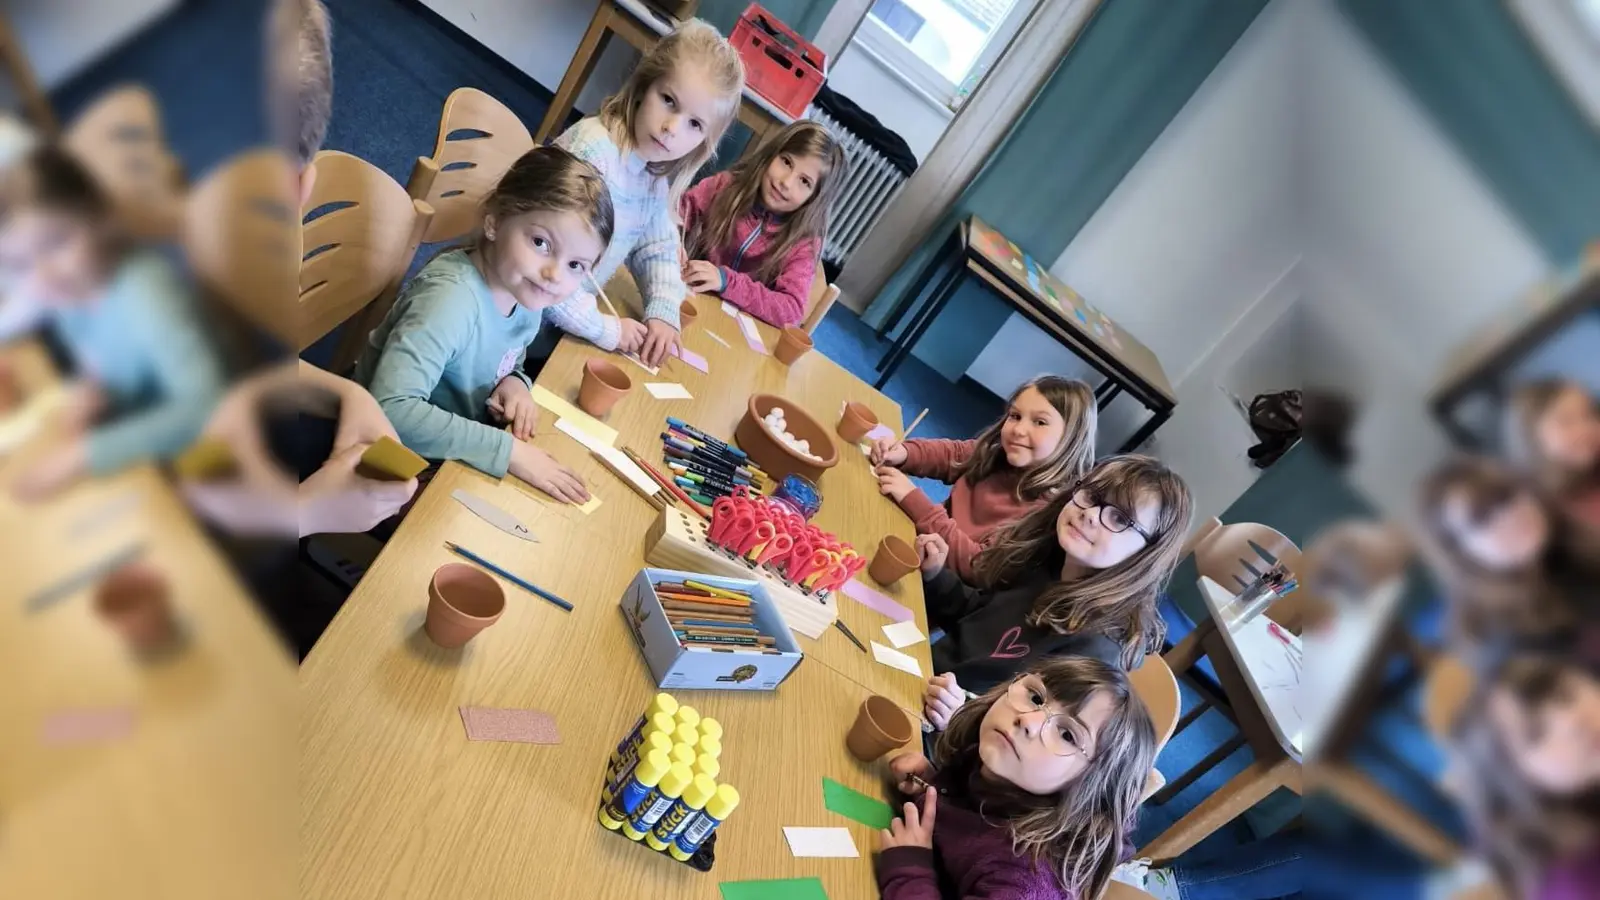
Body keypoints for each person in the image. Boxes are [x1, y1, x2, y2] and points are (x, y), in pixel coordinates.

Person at [353, 146, 609, 504]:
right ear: (494, 221)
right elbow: (390, 410)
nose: (554, 275)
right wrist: (509, 452)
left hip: (441, 451)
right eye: (540, 243)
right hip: (373, 464)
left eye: (576, 266)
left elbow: (510, 357)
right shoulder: (450, 302)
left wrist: (514, 382)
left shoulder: (524, 291)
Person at [0, 144, 223, 500]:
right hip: (140, 431)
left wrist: (85, 455)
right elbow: (105, 362)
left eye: (56, 243)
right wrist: (96, 395)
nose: (43, 274)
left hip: (215, 455)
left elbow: (209, 407)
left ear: (101, 217)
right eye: (21, 265)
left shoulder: (145, 294)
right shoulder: (69, 291)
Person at [915, 455, 1193, 729]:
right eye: (1092, 496)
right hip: (923, 680)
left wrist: (961, 714)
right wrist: (936, 576)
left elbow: (1033, 735)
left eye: (1120, 519)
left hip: (951, 739)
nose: (1091, 515)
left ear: (1147, 553)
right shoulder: (1046, 562)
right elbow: (976, 620)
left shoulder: (1098, 649)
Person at [878, 656, 1156, 900]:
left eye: (1067, 734)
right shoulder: (1002, 764)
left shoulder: (1025, 882)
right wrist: (931, 786)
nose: (1028, 720)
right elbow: (965, 823)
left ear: (1091, 787)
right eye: (1036, 697)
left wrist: (910, 867)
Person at [552, 18, 744, 367]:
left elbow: (656, 247)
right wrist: (607, 329)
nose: (672, 129)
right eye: (669, 100)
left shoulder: (651, 174)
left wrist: (664, 308)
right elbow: (545, 272)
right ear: (644, 85)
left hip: (555, 323)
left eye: (694, 124)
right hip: (517, 320)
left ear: (703, 142)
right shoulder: (594, 155)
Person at [873, 376, 1098, 583]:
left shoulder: (1045, 514)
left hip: (938, 588)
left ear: (1071, 439)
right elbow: (953, 455)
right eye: (1015, 416)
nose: (1019, 429)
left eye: (1040, 422)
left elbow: (977, 565)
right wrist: (905, 453)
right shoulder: (996, 454)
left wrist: (916, 503)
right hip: (916, 541)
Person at [1415, 456, 1600, 665]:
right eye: (1482, 518)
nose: (1509, 517)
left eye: (1506, 498)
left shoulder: (1567, 551)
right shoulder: (1503, 640)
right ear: (1461, 553)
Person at [1448, 653, 1600, 900]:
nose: (1573, 722)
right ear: (1516, 781)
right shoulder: (1578, 883)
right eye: (1537, 733)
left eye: (1567, 695)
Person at [677, 119, 846, 328]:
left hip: (739, 333)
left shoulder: (804, 243)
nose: (786, 182)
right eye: (786, 162)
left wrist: (726, 281)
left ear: (814, 198)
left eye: (804, 181)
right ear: (771, 155)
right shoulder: (726, 186)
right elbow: (677, 214)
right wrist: (672, 242)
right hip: (690, 304)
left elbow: (791, 310)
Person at [1506, 378, 1600, 528]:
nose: (1586, 429)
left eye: (1589, 414)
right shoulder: (1542, 516)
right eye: (1566, 421)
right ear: (1532, 437)